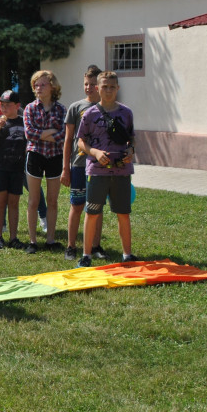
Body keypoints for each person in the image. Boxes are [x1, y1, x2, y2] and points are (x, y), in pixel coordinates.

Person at [76, 71, 137, 268]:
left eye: (112, 87)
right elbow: (81, 142)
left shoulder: (126, 113)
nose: (108, 90)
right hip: (96, 171)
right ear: (97, 89)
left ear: (118, 89)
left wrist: (130, 150)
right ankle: (86, 255)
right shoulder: (90, 114)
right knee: (92, 212)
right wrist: (94, 152)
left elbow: (132, 138)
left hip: (121, 171)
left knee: (123, 213)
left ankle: (127, 254)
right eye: (104, 87)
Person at [60, 65, 106, 262]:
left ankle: (95, 246)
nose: (89, 87)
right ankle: (71, 246)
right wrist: (65, 169)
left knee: (97, 207)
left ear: (100, 86)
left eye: (93, 84)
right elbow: (68, 140)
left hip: (99, 167)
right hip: (78, 165)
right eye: (86, 84)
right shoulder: (75, 108)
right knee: (77, 206)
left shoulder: (107, 108)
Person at [23, 70, 65, 254]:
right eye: (36, 85)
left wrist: (41, 134)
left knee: (52, 200)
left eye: (42, 84)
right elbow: (29, 134)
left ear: (52, 87)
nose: (38, 88)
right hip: (35, 156)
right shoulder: (30, 108)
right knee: (34, 200)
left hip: (55, 156)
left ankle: (50, 240)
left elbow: (63, 134)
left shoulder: (62, 109)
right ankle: (32, 242)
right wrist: (50, 132)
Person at [0, 90, 26, 249]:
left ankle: (14, 238)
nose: (4, 108)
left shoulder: (23, 122)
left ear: (17, 106)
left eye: (8, 105)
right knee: (0, 202)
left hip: (17, 168)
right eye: (2, 105)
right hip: (0, 167)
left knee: (14, 202)